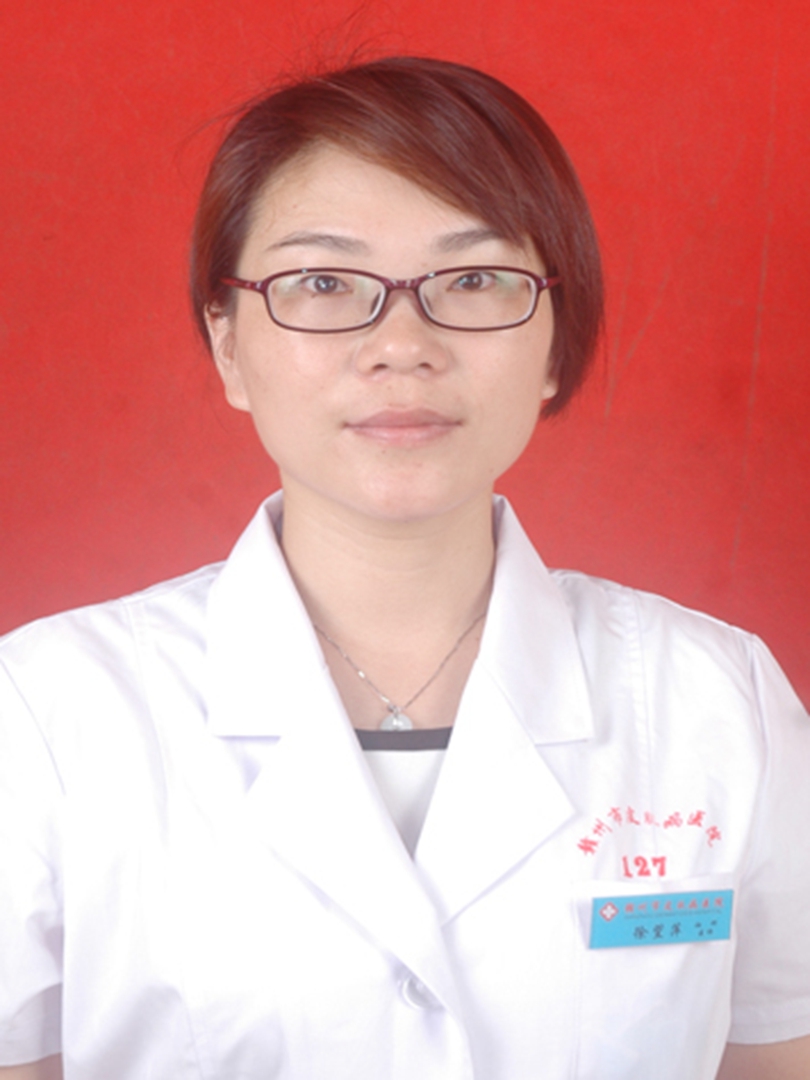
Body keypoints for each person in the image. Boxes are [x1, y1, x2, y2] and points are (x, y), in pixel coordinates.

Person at [0, 56, 808, 1080]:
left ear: (556, 342)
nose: (401, 345)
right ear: (228, 345)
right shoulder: (48, 715)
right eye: (322, 283)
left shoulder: (720, 704)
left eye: (472, 280)